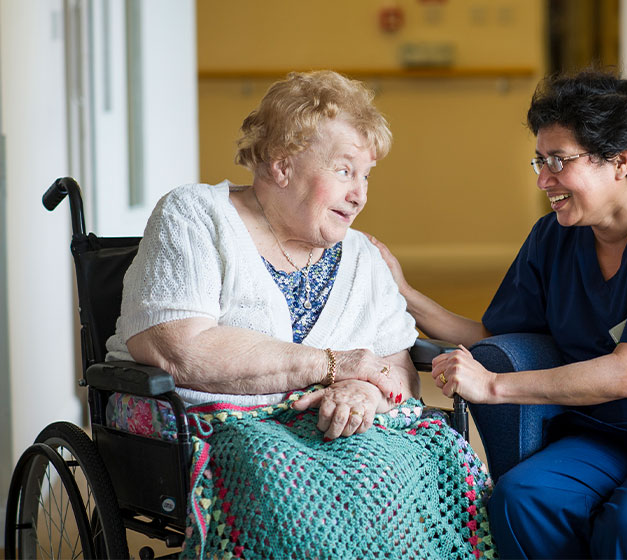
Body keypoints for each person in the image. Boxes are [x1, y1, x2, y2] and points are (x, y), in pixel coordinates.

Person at [369, 71, 627, 559]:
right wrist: (404, 293)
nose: (543, 179)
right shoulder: (554, 236)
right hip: (608, 429)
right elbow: (490, 333)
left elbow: (626, 374)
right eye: (539, 161)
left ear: (620, 162)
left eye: (559, 161)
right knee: (524, 498)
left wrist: (495, 387)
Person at [105, 70, 495, 559]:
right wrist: (335, 365)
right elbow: (178, 348)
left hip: (327, 428)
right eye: (344, 170)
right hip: (207, 422)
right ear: (281, 163)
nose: (360, 195)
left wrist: (365, 392)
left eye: (366, 175)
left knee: (419, 466)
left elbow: (395, 364)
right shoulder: (195, 216)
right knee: (291, 488)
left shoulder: (362, 256)